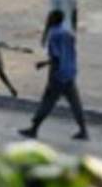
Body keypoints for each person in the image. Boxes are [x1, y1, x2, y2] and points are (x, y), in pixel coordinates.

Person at [18, 10, 88, 140]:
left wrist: (44, 64)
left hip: (58, 75)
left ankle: (34, 129)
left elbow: (56, 58)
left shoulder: (54, 35)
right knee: (75, 103)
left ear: (52, 20)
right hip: (70, 72)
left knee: (47, 102)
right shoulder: (68, 33)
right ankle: (83, 130)